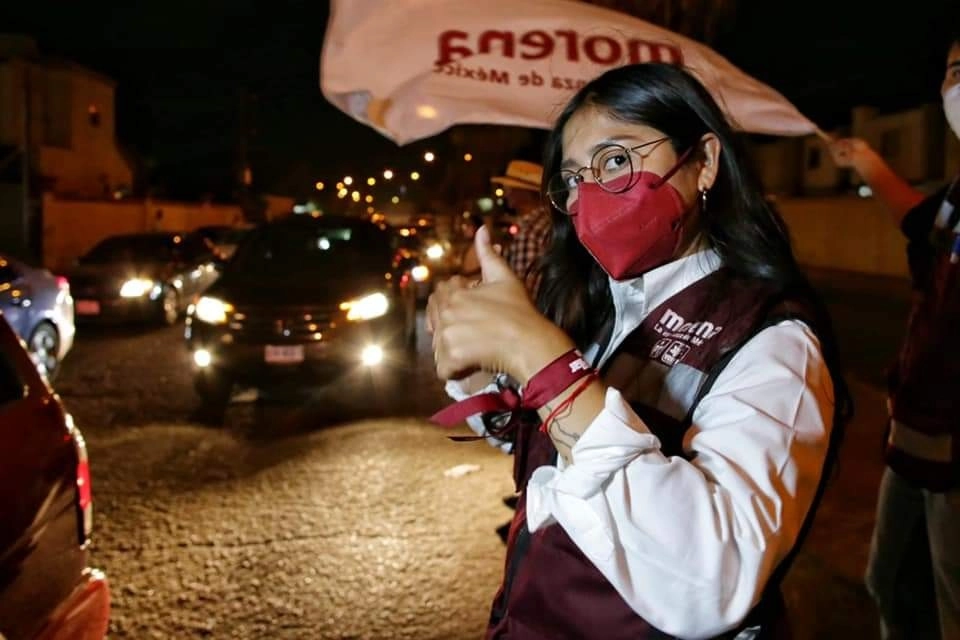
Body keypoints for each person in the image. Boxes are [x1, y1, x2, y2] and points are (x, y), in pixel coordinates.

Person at [427, 62, 851, 639]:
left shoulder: (773, 340)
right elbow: (547, 449)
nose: (590, 194)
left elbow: (713, 581)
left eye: (618, 160)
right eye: (574, 177)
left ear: (703, 161)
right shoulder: (597, 302)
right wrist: (483, 369)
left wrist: (551, 370)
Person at [828, 27, 960, 640]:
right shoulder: (956, 202)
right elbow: (919, 220)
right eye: (955, 72)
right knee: (889, 581)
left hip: (952, 452)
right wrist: (868, 161)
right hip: (911, 435)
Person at [493, 160, 552, 294]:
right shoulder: (549, 222)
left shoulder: (529, 231)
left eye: (510, 187)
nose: (506, 193)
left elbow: (524, 289)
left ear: (524, 192)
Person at [456, 212, 484, 278]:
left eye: (468, 225)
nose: (464, 229)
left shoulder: (482, 247)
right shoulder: (468, 246)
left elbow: (483, 268)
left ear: (477, 227)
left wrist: (465, 275)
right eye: (464, 225)